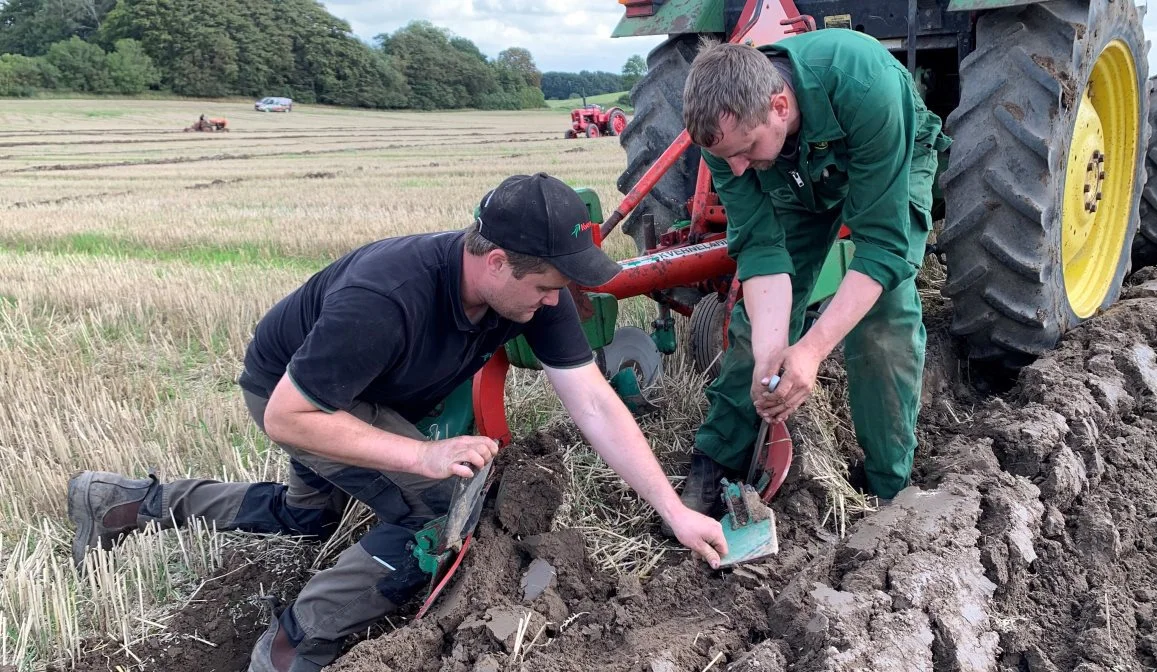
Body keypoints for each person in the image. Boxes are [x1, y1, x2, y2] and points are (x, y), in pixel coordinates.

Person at [67, 173, 729, 672]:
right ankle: (294, 643)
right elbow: (289, 416)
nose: (556, 302)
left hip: (369, 397)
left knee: (311, 515)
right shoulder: (388, 297)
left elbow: (593, 402)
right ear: (496, 262)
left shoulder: (532, 288)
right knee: (444, 507)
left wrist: (672, 509)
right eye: (547, 287)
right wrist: (421, 459)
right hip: (299, 395)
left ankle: (122, 503)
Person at [675, 31, 951, 516]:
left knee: (884, 316)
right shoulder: (727, 142)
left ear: (779, 106)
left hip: (885, 155)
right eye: (725, 159)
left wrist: (812, 351)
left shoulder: (866, 86)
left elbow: (882, 247)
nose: (736, 170)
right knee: (753, 331)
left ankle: (889, 486)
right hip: (794, 172)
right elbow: (762, 250)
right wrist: (771, 355)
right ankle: (717, 461)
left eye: (745, 150)